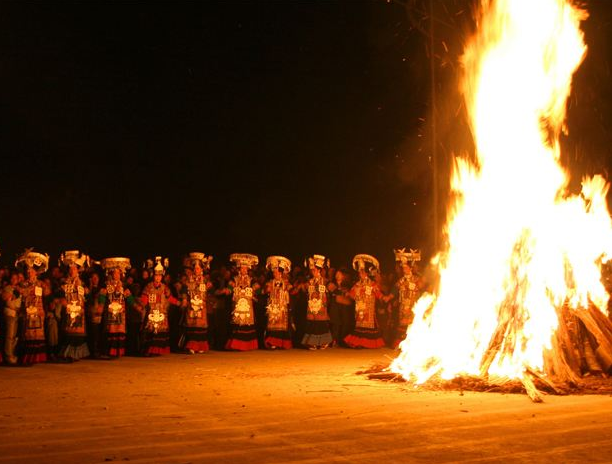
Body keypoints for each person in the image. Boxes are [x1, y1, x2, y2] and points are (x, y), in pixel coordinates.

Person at [15, 249, 51, 364]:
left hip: (39, 313)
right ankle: (27, 358)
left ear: (36, 273)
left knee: (38, 335)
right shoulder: (23, 284)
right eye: (28, 271)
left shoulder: (41, 284)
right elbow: (19, 291)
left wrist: (44, 287)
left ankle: (38, 357)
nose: (29, 273)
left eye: (31, 271)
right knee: (28, 335)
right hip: (28, 312)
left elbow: (47, 293)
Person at [344, 254, 385, 349]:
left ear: (366, 273)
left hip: (369, 310)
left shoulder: (372, 284)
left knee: (370, 326)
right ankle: (359, 343)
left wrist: (383, 297)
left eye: (362, 272)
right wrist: (348, 294)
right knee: (359, 325)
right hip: (360, 309)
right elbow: (352, 294)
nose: (360, 274)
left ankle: (367, 344)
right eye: (359, 272)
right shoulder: (357, 284)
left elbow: (378, 293)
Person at [140, 256, 178, 356]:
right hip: (151, 313)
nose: (158, 278)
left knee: (160, 332)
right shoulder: (148, 286)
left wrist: (178, 303)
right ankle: (150, 350)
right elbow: (144, 298)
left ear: (162, 277)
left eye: (159, 276)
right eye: (156, 276)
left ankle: (159, 350)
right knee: (151, 331)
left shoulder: (165, 287)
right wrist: (142, 305)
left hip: (162, 313)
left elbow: (170, 298)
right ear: (153, 276)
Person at [57, 250, 91, 360]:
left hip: (79, 311)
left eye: (74, 269)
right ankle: (67, 354)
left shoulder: (82, 283)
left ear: (78, 271)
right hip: (68, 310)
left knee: (78, 333)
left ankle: (77, 354)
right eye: (71, 269)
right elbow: (60, 294)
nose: (72, 271)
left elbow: (87, 295)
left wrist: (84, 289)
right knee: (68, 332)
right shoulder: (64, 283)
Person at [98, 257, 135, 357]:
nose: (116, 275)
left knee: (120, 331)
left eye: (118, 273)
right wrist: (101, 305)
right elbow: (102, 296)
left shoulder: (124, 286)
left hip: (121, 313)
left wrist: (136, 306)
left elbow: (129, 298)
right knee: (110, 330)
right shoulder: (106, 285)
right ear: (111, 274)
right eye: (114, 273)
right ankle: (109, 352)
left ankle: (119, 352)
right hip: (110, 312)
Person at [180, 252, 213, 354]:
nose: (196, 270)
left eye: (198, 268)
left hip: (202, 306)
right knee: (192, 326)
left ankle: (201, 346)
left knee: (201, 327)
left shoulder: (206, 280)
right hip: (191, 306)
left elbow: (210, 292)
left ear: (201, 270)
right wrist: (184, 299)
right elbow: (184, 291)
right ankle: (191, 346)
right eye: (195, 268)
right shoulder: (188, 280)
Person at [225, 253, 259, 351]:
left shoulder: (251, 280)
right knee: (238, 323)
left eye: (245, 268)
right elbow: (229, 288)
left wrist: (257, 291)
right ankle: (236, 345)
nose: (243, 270)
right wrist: (227, 290)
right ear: (239, 269)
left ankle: (248, 345)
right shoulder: (234, 279)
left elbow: (258, 289)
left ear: (248, 269)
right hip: (238, 305)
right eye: (242, 268)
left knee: (247, 323)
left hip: (248, 306)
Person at [392, 248, 421, 348]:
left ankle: (413, 344)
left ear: (410, 269)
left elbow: (421, 288)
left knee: (413, 324)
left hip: (413, 305)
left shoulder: (416, 279)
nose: (404, 270)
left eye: (406, 268)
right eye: (403, 268)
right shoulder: (401, 280)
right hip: (403, 305)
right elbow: (395, 290)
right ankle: (401, 344)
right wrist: (388, 297)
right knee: (402, 324)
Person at [302, 254, 332, 350]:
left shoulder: (325, 281)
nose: (313, 272)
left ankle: (324, 342)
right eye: (312, 270)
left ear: (319, 270)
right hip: (312, 307)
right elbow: (303, 289)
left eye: (314, 270)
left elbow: (333, 289)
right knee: (312, 324)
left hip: (321, 306)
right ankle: (312, 343)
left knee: (321, 324)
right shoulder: (310, 282)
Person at [263, 256, 293, 349]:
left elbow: (291, 289)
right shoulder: (270, 282)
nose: (275, 274)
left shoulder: (286, 282)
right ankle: (272, 343)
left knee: (282, 325)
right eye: (274, 272)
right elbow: (265, 291)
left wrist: (288, 288)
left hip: (282, 306)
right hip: (273, 305)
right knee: (272, 324)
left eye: (276, 272)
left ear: (281, 273)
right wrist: (268, 289)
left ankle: (281, 343)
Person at [327, 268, 354, 347]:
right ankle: (333, 340)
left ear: (343, 276)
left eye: (339, 274)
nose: (337, 275)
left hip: (345, 307)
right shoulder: (332, 283)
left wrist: (346, 293)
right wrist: (342, 292)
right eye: (336, 274)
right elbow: (333, 290)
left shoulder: (348, 285)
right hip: (334, 306)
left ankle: (343, 341)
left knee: (345, 323)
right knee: (335, 323)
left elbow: (351, 294)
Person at [2, 272, 22, 365]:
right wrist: (16, 309)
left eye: (16, 278)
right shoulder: (7, 288)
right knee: (9, 336)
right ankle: (8, 355)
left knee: (14, 336)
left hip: (16, 315)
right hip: (10, 314)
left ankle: (12, 353)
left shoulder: (19, 289)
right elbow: (7, 301)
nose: (14, 280)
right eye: (12, 278)